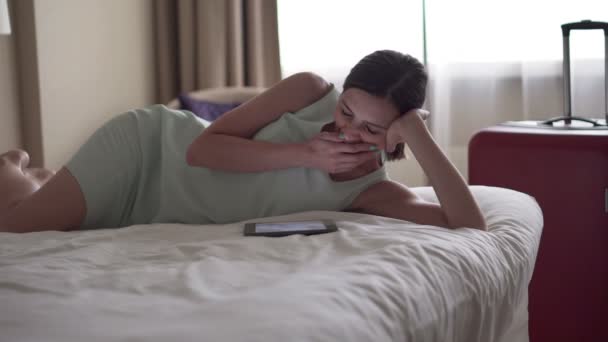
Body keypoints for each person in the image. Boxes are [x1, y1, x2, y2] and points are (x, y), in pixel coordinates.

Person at [0, 50, 487, 233]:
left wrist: (420, 134)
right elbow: (201, 149)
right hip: (149, 151)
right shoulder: (309, 90)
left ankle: (35, 175)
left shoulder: (372, 192)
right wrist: (304, 153)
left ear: (395, 134)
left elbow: (468, 223)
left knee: (32, 217)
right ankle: (14, 165)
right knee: (13, 231)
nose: (347, 130)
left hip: (155, 210)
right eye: (347, 111)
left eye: (372, 129)